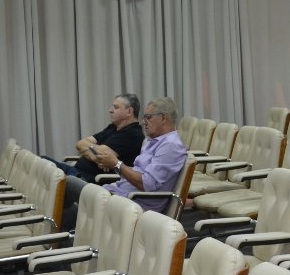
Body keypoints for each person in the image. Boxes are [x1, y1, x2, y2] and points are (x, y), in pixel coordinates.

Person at [60, 97, 187, 228]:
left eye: (148, 117)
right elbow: (139, 173)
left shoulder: (170, 146)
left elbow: (147, 183)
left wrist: (116, 164)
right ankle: (66, 232)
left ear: (163, 118)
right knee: (68, 204)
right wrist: (115, 165)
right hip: (118, 195)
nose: (144, 122)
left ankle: (59, 233)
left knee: (67, 183)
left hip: (131, 204)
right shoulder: (152, 142)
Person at [47, 94, 144, 183]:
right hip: (76, 172)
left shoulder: (133, 134)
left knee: (46, 171)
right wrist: (94, 156)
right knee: (42, 161)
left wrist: (89, 151)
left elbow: (102, 154)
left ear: (129, 111)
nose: (110, 110)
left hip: (88, 180)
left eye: (116, 107)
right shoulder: (113, 128)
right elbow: (80, 144)